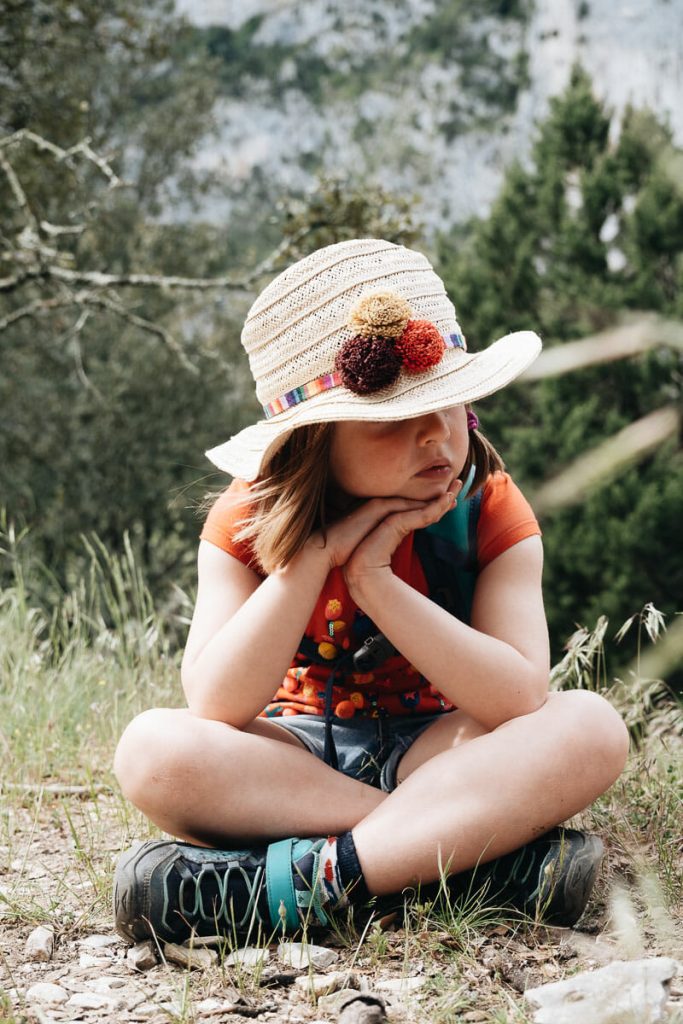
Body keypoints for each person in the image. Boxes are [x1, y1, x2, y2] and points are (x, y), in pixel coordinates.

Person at [113, 238, 629, 944]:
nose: (434, 436)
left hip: (444, 750)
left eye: (448, 405)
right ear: (314, 442)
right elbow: (217, 703)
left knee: (589, 727)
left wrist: (374, 581)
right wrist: (314, 558)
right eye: (393, 422)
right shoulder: (245, 519)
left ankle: (308, 885)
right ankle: (455, 858)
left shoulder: (489, 509)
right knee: (152, 750)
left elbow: (514, 698)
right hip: (295, 766)